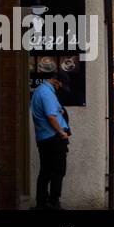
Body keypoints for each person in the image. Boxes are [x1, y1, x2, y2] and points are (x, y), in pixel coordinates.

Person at [30, 74, 70, 210]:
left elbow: (56, 112)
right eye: (60, 86)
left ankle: (42, 203)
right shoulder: (46, 93)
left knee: (46, 171)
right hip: (53, 138)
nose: (60, 89)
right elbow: (51, 116)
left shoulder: (40, 91)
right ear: (55, 81)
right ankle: (53, 202)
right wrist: (61, 132)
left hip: (45, 138)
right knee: (58, 171)